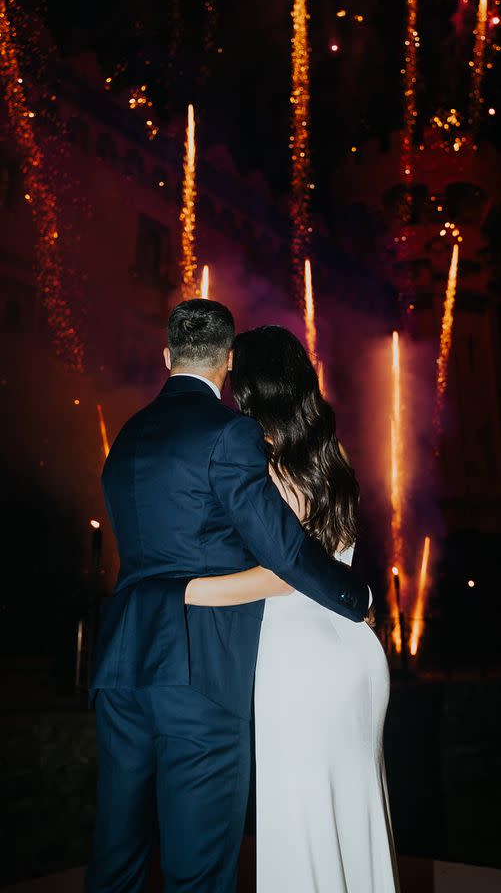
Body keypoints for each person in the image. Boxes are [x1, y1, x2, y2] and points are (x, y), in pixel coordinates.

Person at [86, 300, 371, 893]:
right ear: (230, 360)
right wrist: (353, 592)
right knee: (198, 867)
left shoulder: (127, 436)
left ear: (167, 357)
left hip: (119, 665)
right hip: (199, 667)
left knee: (117, 854)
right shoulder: (230, 433)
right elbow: (284, 551)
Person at [185, 326, 400, 892]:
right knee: (355, 819)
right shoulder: (331, 452)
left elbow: (287, 574)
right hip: (356, 652)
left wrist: (191, 589)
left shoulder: (268, 464)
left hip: (300, 660)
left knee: (300, 826)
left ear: (252, 388)